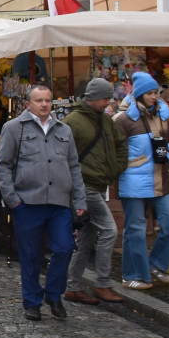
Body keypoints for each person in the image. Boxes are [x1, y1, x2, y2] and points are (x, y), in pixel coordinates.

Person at [0, 85, 86, 322]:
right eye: (39, 100)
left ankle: (53, 294)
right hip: (27, 202)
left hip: (59, 203)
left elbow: (74, 166)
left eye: (48, 100)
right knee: (30, 255)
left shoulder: (64, 129)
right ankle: (32, 301)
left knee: (64, 248)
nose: (44, 104)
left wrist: (79, 199)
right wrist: (13, 200)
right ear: (28, 104)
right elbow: (3, 165)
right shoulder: (14, 128)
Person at [62, 78, 128, 305]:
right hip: (85, 186)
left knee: (86, 239)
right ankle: (102, 284)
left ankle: (74, 287)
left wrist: (117, 167)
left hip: (99, 185)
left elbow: (121, 143)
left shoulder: (105, 120)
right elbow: (62, 155)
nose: (108, 102)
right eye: (105, 98)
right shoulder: (73, 122)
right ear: (94, 97)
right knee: (109, 230)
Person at [113, 72, 169, 290]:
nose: (154, 96)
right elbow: (115, 151)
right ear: (140, 94)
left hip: (161, 177)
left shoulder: (162, 114)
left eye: (155, 92)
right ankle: (133, 275)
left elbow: (168, 141)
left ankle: (156, 265)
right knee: (135, 227)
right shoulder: (123, 120)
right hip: (133, 179)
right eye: (150, 93)